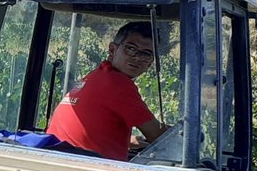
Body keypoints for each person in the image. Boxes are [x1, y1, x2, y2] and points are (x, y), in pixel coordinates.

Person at [46, 21, 169, 160]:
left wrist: (128, 140)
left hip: (58, 159)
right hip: (86, 169)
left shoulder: (97, 76)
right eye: (130, 49)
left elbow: (89, 127)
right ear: (113, 50)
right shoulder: (118, 84)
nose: (137, 58)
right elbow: (159, 137)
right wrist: (190, 139)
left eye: (146, 54)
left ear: (150, 63)